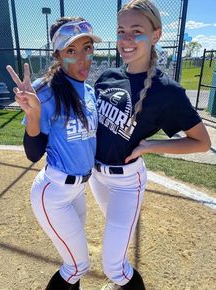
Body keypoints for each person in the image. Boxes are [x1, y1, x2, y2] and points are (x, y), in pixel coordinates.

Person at [89, 1, 211, 289]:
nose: (126, 39)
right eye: (121, 31)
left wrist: (148, 146)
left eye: (136, 31)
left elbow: (201, 142)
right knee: (115, 243)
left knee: (112, 266)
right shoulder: (107, 77)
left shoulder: (166, 90)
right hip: (97, 177)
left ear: (155, 36)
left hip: (127, 183)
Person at [6, 17, 102, 290]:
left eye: (87, 48)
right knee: (78, 265)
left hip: (77, 191)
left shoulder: (89, 92)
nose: (82, 58)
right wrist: (34, 114)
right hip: (54, 193)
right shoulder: (45, 92)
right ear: (57, 55)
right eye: (71, 51)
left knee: (73, 263)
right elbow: (33, 154)